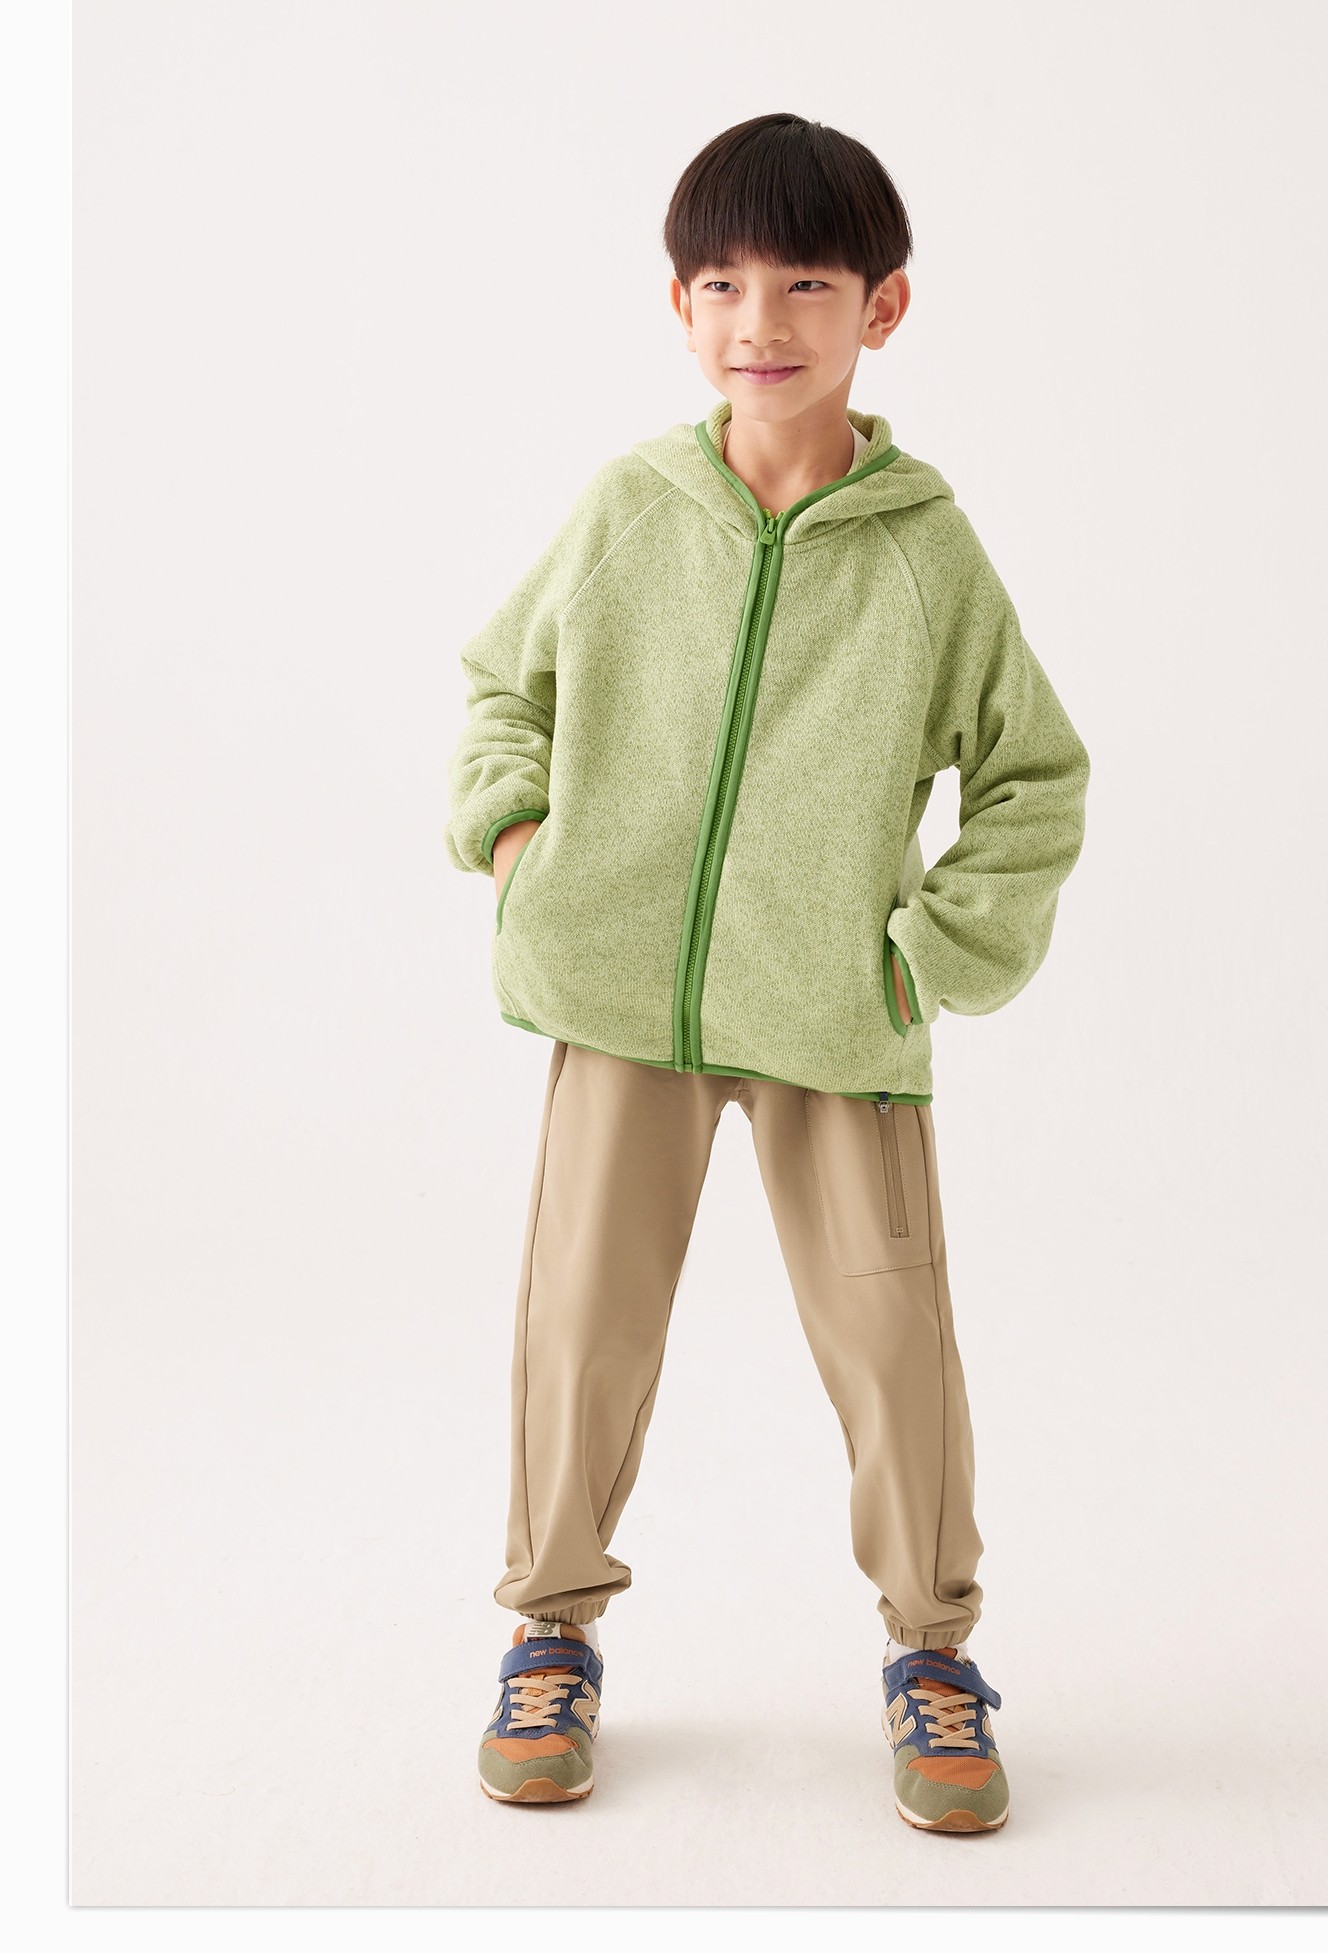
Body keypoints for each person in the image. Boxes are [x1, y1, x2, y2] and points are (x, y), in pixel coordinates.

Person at [443, 112, 1090, 1833]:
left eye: (806, 284)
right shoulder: (628, 510)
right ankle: (550, 1627)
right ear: (680, 305)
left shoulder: (926, 552)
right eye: (724, 285)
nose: (762, 321)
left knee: (893, 1340)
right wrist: (516, 843)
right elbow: (504, 687)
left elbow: (1035, 775)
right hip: (621, 1002)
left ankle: (934, 1652)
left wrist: (931, 955)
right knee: (579, 1321)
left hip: (832, 1016)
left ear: (882, 306)